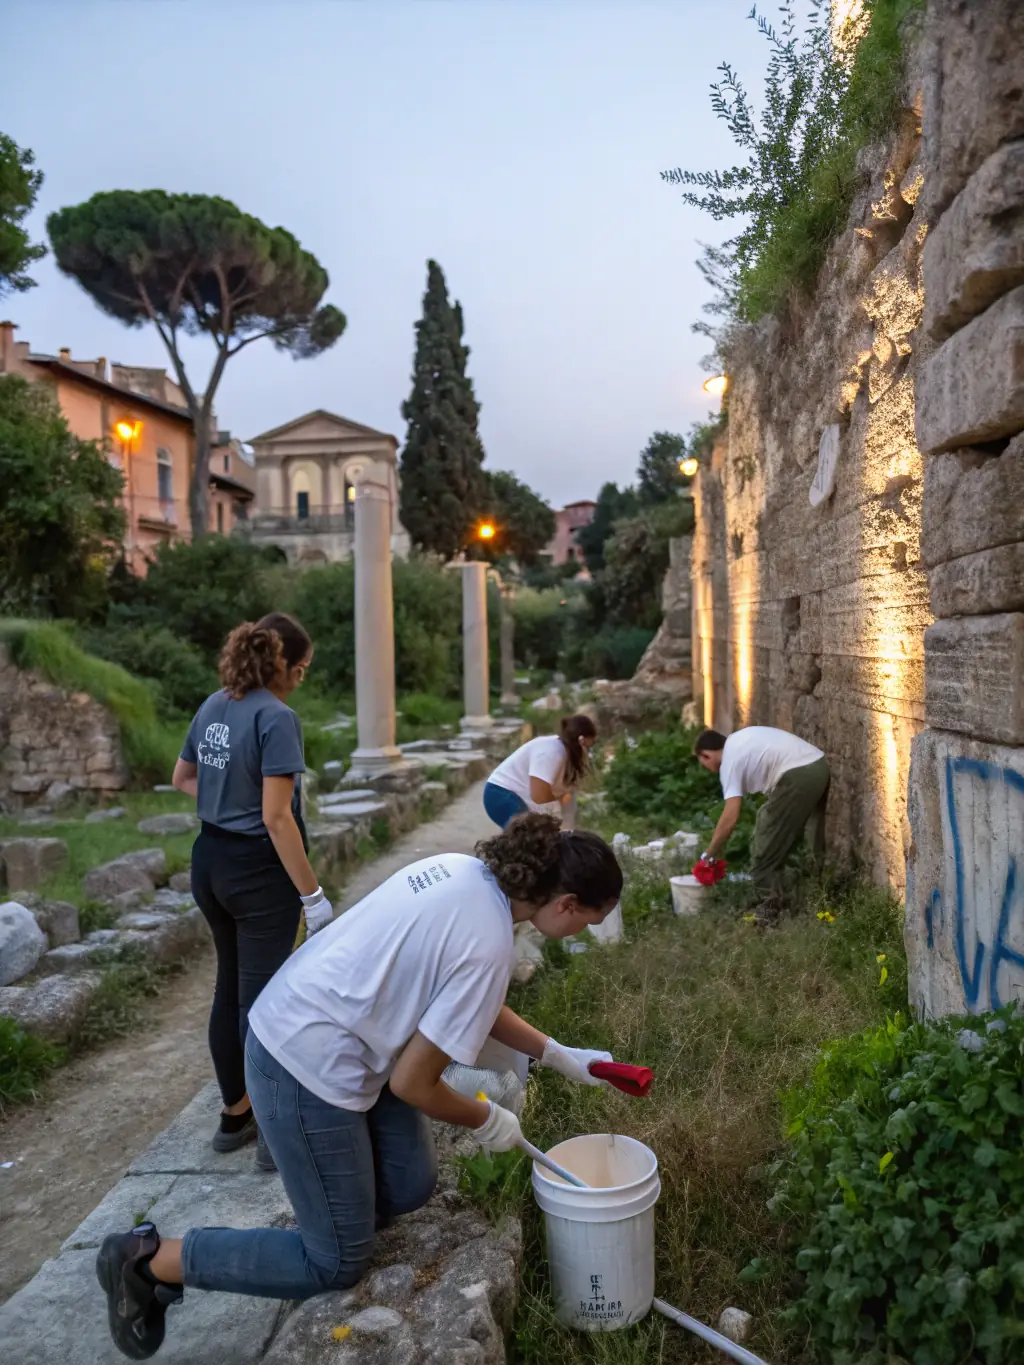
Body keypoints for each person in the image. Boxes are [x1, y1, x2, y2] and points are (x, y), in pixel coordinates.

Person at [96, 814, 623, 1359]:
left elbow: (475, 999)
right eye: (588, 920)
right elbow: (415, 1082)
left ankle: (335, 1200)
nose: (583, 931)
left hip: (323, 1032)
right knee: (336, 1261)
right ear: (564, 903)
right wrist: (485, 1119)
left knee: (410, 1185)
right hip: (301, 1065)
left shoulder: (466, 874)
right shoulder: (489, 941)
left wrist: (559, 1056)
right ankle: (150, 1260)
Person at [171, 612, 329, 1171]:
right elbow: (277, 818)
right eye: (303, 669)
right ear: (283, 663)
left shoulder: (215, 704)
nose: (301, 679)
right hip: (258, 873)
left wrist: (222, 801)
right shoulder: (276, 716)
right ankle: (270, 1134)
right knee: (264, 1003)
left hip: (209, 861)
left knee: (230, 991)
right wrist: (312, 896)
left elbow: (182, 778)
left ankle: (234, 1112)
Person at [693, 725, 830, 913]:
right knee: (806, 838)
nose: (707, 769)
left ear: (706, 755)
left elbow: (730, 817)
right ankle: (816, 894)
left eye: (703, 763)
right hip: (817, 765)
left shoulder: (730, 762)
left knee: (764, 852)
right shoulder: (738, 740)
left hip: (797, 776)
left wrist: (709, 853)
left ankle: (773, 908)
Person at [483, 714, 597, 829]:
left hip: (519, 797)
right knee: (526, 837)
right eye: (588, 747)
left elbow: (563, 796)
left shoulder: (566, 755)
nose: (588, 753)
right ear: (580, 742)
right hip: (502, 793)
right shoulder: (551, 752)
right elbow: (540, 796)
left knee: (538, 837)